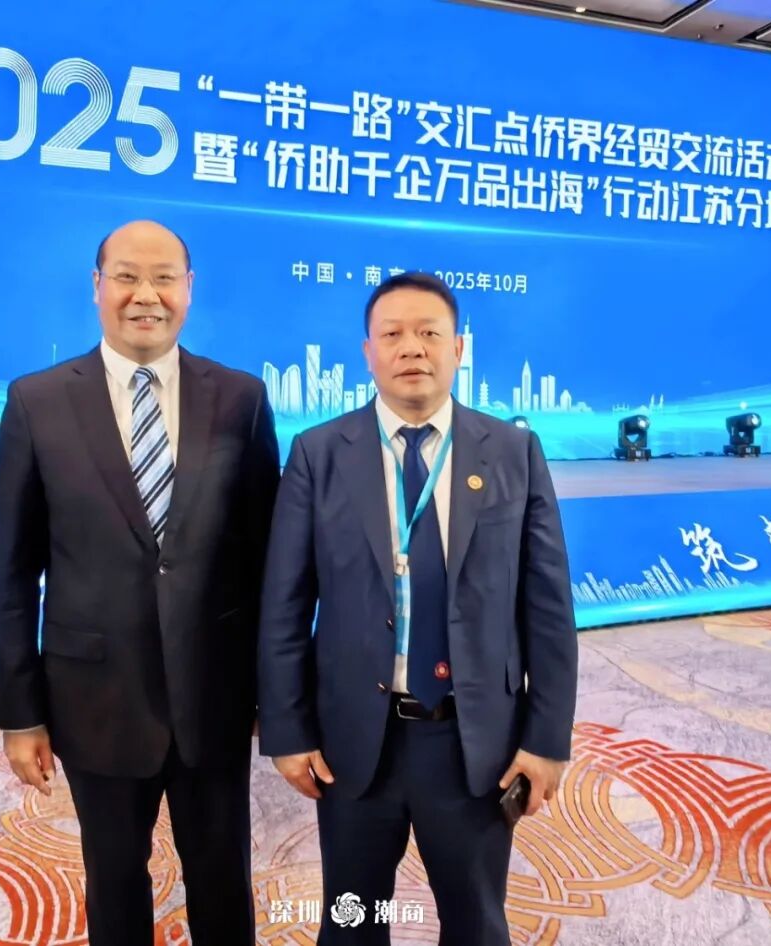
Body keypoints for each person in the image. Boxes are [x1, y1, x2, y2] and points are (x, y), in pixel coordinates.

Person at [258, 271, 579, 945]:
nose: (412, 348)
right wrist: (287, 730)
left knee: (474, 921)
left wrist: (547, 740)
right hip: (355, 741)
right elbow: (284, 605)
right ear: (368, 352)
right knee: (354, 919)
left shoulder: (513, 452)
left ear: (458, 349)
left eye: (430, 333)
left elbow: (547, 607)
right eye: (393, 334)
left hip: (473, 743)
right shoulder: (319, 453)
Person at [0, 220, 279, 946]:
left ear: (189, 289)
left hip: (213, 696)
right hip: (95, 698)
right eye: (125, 276)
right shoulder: (36, 402)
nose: (145, 295)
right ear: (97, 286)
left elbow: (266, 561)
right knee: (114, 880)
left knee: (223, 876)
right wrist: (20, 714)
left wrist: (274, 695)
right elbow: (14, 571)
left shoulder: (240, 398)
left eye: (163, 278)